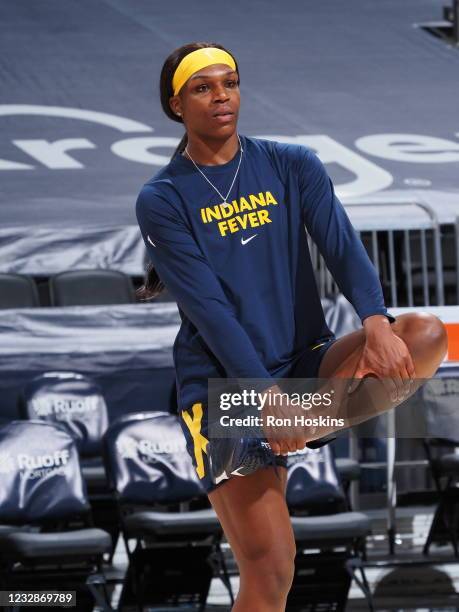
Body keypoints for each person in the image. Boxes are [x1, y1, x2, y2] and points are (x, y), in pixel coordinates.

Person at [135, 41, 448, 612]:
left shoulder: (291, 163)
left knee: (424, 335)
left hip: (306, 361)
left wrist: (375, 321)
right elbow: (210, 311)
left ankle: (302, 424)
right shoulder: (162, 197)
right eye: (202, 88)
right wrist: (267, 398)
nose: (221, 96)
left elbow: (343, 247)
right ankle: (295, 422)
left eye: (229, 82)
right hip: (226, 387)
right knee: (274, 571)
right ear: (176, 104)